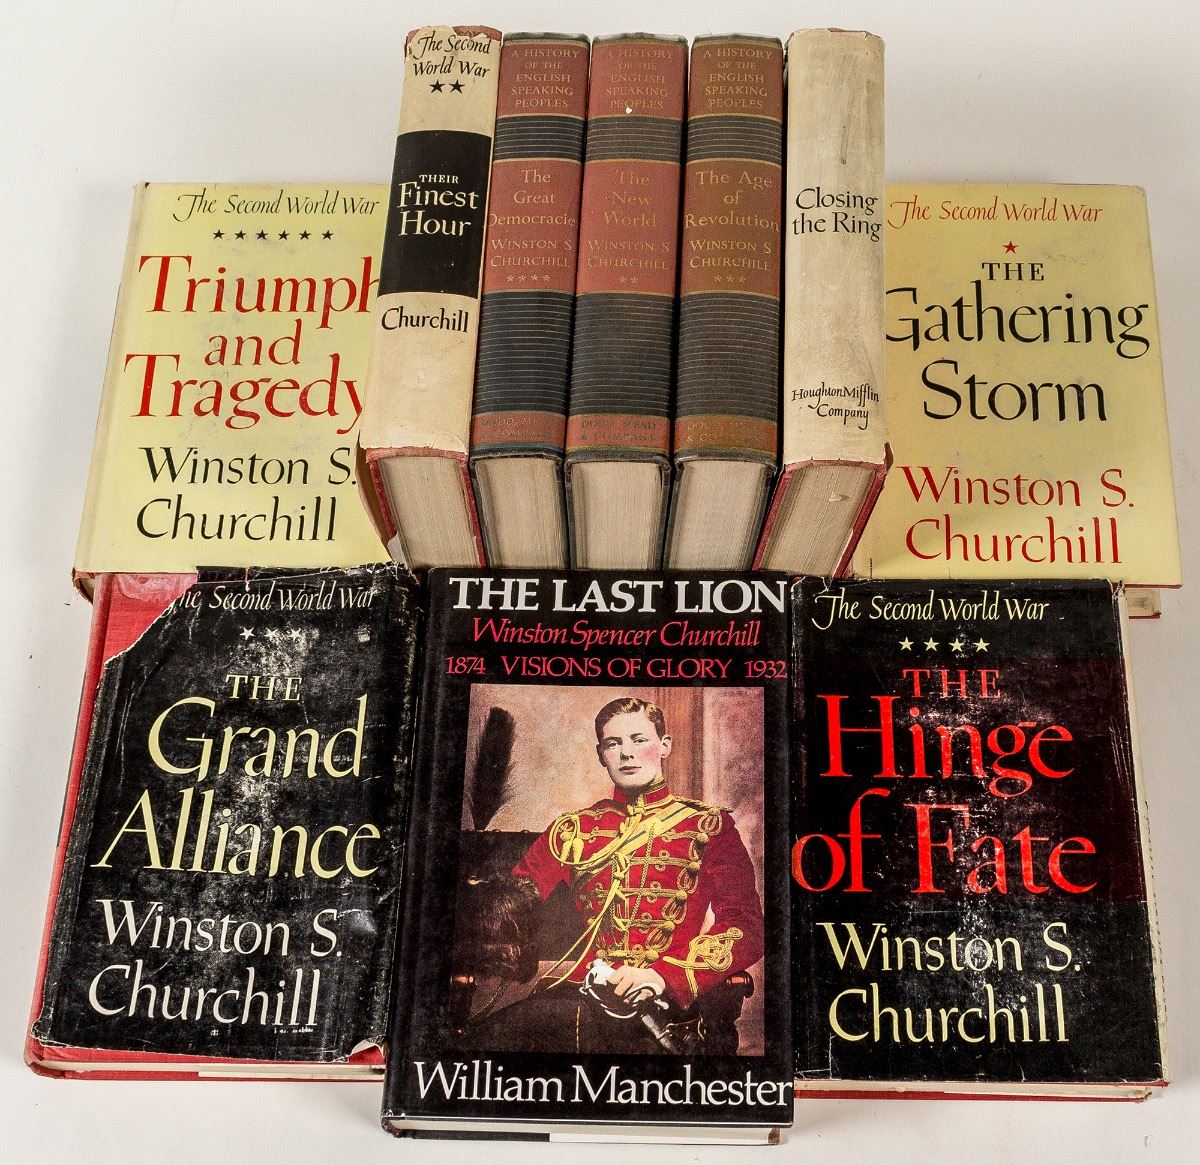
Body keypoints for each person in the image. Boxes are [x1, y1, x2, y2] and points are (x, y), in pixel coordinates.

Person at [468, 696, 764, 1055]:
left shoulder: (709, 826)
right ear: (601, 754)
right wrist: (481, 898)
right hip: (585, 995)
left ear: (664, 746)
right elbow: (513, 902)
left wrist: (662, 976)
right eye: (613, 743)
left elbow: (745, 926)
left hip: (670, 1004)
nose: (627, 753)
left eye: (639, 740)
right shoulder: (573, 830)